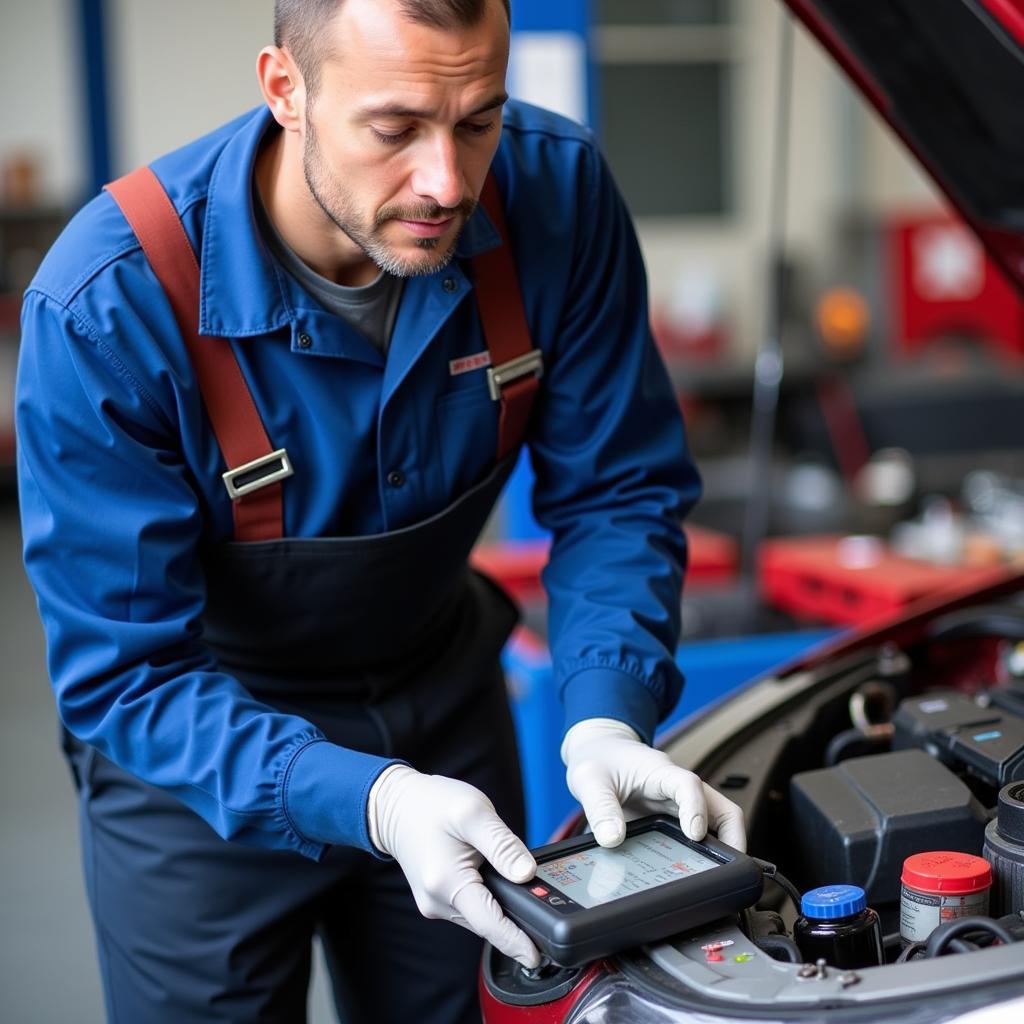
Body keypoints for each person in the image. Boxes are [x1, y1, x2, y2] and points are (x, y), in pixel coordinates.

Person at [17, 0, 745, 1021]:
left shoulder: (557, 194)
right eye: (395, 128)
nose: (448, 183)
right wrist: (372, 798)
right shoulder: (109, 302)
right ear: (286, 90)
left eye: (479, 119)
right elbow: (125, 671)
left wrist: (601, 715)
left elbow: (617, 489)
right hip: (197, 753)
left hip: (439, 700)